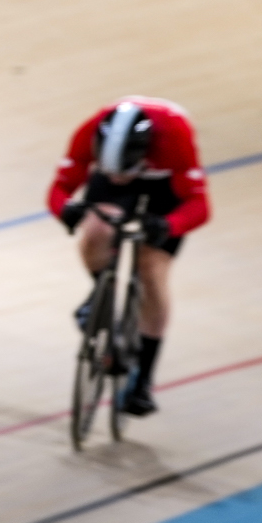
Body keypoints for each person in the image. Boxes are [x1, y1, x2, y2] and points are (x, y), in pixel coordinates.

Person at [47, 97, 209, 416]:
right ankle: (99, 296)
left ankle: (142, 380)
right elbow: (60, 188)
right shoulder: (88, 132)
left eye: (126, 171)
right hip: (121, 180)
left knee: (151, 267)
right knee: (96, 229)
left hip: (164, 185)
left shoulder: (174, 138)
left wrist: (168, 224)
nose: (120, 178)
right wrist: (65, 210)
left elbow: (199, 206)